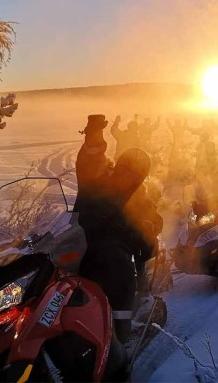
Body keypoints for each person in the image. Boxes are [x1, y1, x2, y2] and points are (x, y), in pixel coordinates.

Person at [75, 117, 159, 342]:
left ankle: (120, 332)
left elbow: (149, 219)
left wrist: (149, 227)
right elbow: (90, 162)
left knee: (121, 268)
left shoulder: (135, 193)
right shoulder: (106, 177)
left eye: (136, 172)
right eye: (130, 169)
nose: (131, 175)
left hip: (96, 246)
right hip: (87, 242)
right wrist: (94, 137)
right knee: (122, 277)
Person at [73, 114, 112, 213]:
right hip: (91, 194)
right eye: (101, 129)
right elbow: (93, 152)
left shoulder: (92, 139)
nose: (102, 132)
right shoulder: (92, 141)